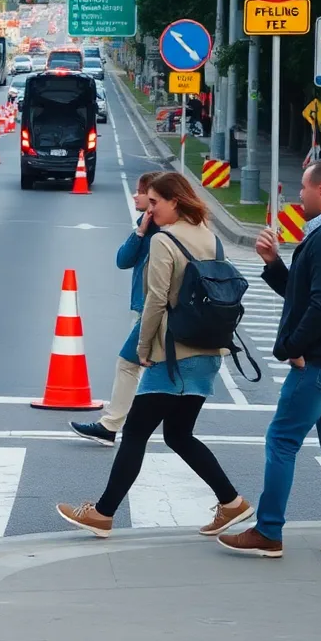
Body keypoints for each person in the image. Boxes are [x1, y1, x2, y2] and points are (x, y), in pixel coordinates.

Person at [57, 172, 252, 537]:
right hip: (207, 352)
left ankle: (101, 513)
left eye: (155, 202)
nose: (150, 208)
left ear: (173, 202)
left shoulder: (165, 240)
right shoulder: (210, 238)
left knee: (134, 433)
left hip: (172, 356)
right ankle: (231, 503)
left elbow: (156, 301)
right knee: (179, 435)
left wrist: (144, 348)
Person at [219, 159, 321, 560]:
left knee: (282, 439)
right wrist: (274, 264)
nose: (300, 196)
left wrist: (292, 346)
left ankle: (268, 531)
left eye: (304, 189)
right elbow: (314, 295)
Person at [70, 170, 163, 446]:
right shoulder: (147, 228)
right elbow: (123, 260)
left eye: (140, 191)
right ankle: (120, 424)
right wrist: (140, 231)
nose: (136, 196)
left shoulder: (165, 233)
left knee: (129, 363)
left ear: (154, 198)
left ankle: (112, 425)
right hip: (145, 307)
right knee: (147, 367)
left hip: (153, 309)